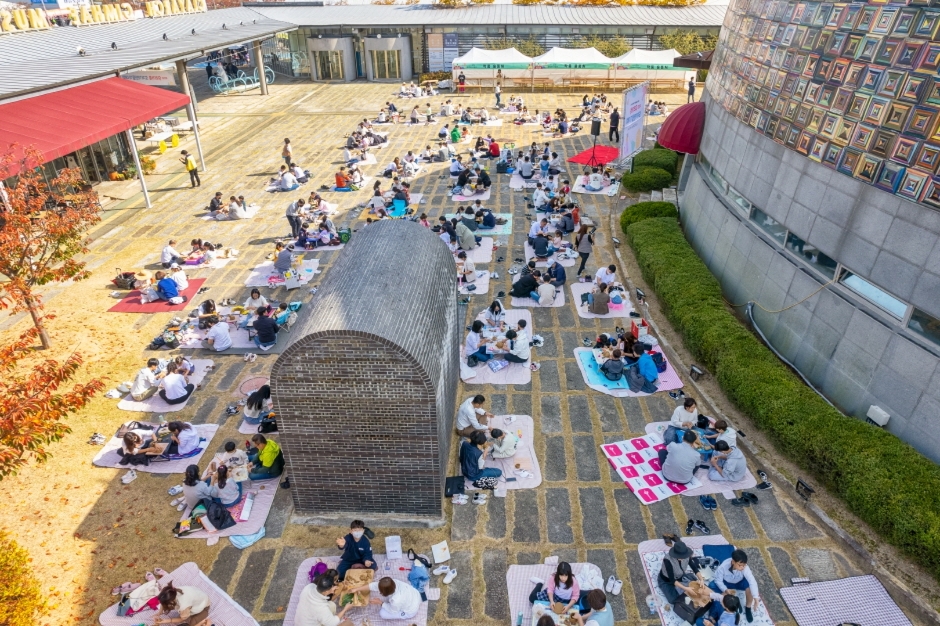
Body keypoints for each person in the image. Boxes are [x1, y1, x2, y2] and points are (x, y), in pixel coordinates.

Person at [710, 549, 760, 623]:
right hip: (727, 582)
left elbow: (752, 581)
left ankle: (748, 607)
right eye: (740, 565)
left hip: (740, 582)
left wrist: (756, 598)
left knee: (750, 587)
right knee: (711, 585)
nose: (742, 568)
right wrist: (725, 589)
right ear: (733, 562)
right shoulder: (723, 566)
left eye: (744, 565)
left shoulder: (745, 568)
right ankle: (733, 604)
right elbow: (718, 580)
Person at [348, 576, 422, 621]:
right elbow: (374, 585)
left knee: (383, 613)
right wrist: (357, 589)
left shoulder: (396, 600)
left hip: (410, 610)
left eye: (380, 591)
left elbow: (393, 611)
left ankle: (404, 615)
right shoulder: (392, 582)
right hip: (415, 594)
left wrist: (380, 603)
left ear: (385, 592)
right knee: (388, 604)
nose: (379, 592)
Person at [657, 539, 700, 604]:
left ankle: (683, 583)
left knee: (696, 582)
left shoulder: (686, 556)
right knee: (673, 599)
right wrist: (685, 588)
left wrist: (701, 579)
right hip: (667, 581)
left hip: (680, 575)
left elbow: (694, 568)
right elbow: (672, 580)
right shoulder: (667, 560)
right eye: (681, 557)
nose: (683, 558)